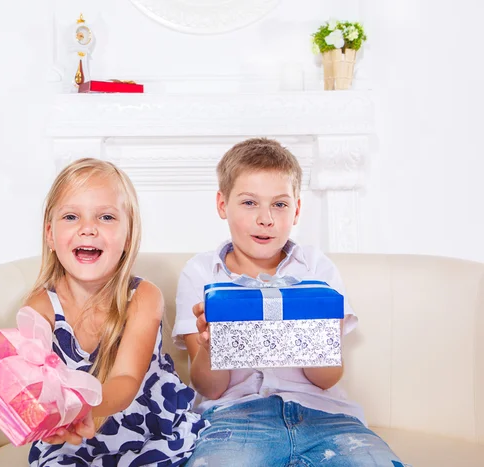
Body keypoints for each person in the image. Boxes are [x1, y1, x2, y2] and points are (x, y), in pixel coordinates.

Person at [173, 138, 404, 466]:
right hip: (234, 420)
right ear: (222, 204)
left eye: (279, 204)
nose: (265, 218)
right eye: (249, 202)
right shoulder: (200, 273)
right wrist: (212, 347)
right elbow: (209, 388)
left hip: (325, 418)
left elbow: (327, 378)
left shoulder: (316, 268)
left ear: (296, 210)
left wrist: (311, 332)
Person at [27, 158, 208, 466]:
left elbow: (125, 379)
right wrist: (47, 413)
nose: (88, 229)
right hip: (74, 444)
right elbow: (36, 378)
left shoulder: (143, 297)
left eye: (106, 217)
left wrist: (86, 408)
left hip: (152, 435)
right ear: (50, 234)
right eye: (71, 216)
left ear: (128, 235)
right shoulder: (40, 306)